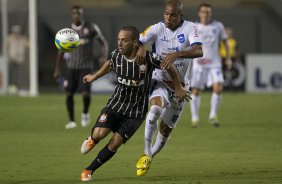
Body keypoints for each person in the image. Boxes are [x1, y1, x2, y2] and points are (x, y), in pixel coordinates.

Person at [79, 26, 189, 182]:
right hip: (116, 104)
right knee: (99, 134)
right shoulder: (117, 55)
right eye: (118, 40)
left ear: (135, 43)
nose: (120, 43)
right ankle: (92, 139)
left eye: (124, 40)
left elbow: (169, 66)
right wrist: (94, 76)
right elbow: (110, 64)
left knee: (115, 142)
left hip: (136, 112)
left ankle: (89, 170)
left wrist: (178, 87)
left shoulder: (149, 58)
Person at [135, 0, 203, 176]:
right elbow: (137, 41)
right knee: (156, 109)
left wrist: (177, 53)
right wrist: (141, 47)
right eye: (166, 13)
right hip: (161, 79)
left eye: (173, 15)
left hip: (181, 86)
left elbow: (198, 51)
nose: (168, 17)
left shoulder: (190, 28)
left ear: (181, 16)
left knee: (165, 130)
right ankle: (145, 151)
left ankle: (150, 156)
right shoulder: (157, 28)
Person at [53, 5, 108, 129]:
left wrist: (103, 57)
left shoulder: (90, 28)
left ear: (82, 15)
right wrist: (57, 68)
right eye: (74, 13)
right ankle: (71, 120)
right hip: (70, 67)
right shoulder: (67, 32)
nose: (77, 15)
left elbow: (103, 42)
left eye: (79, 13)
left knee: (85, 94)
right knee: (69, 94)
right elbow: (60, 51)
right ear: (71, 15)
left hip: (85, 67)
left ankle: (85, 113)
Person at [189, 3, 232, 128]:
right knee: (196, 91)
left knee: (218, 88)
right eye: (203, 12)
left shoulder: (218, 26)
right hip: (198, 64)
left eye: (208, 12)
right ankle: (195, 118)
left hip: (214, 64)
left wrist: (228, 58)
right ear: (199, 13)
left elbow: (225, 42)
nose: (205, 14)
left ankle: (213, 115)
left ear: (210, 13)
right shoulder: (194, 26)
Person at [7, 25, 29, 94]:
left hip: (20, 60)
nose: (16, 33)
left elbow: (28, 44)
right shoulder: (9, 38)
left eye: (17, 32)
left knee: (20, 75)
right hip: (12, 59)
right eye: (15, 32)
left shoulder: (22, 39)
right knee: (12, 75)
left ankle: (20, 88)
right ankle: (12, 88)